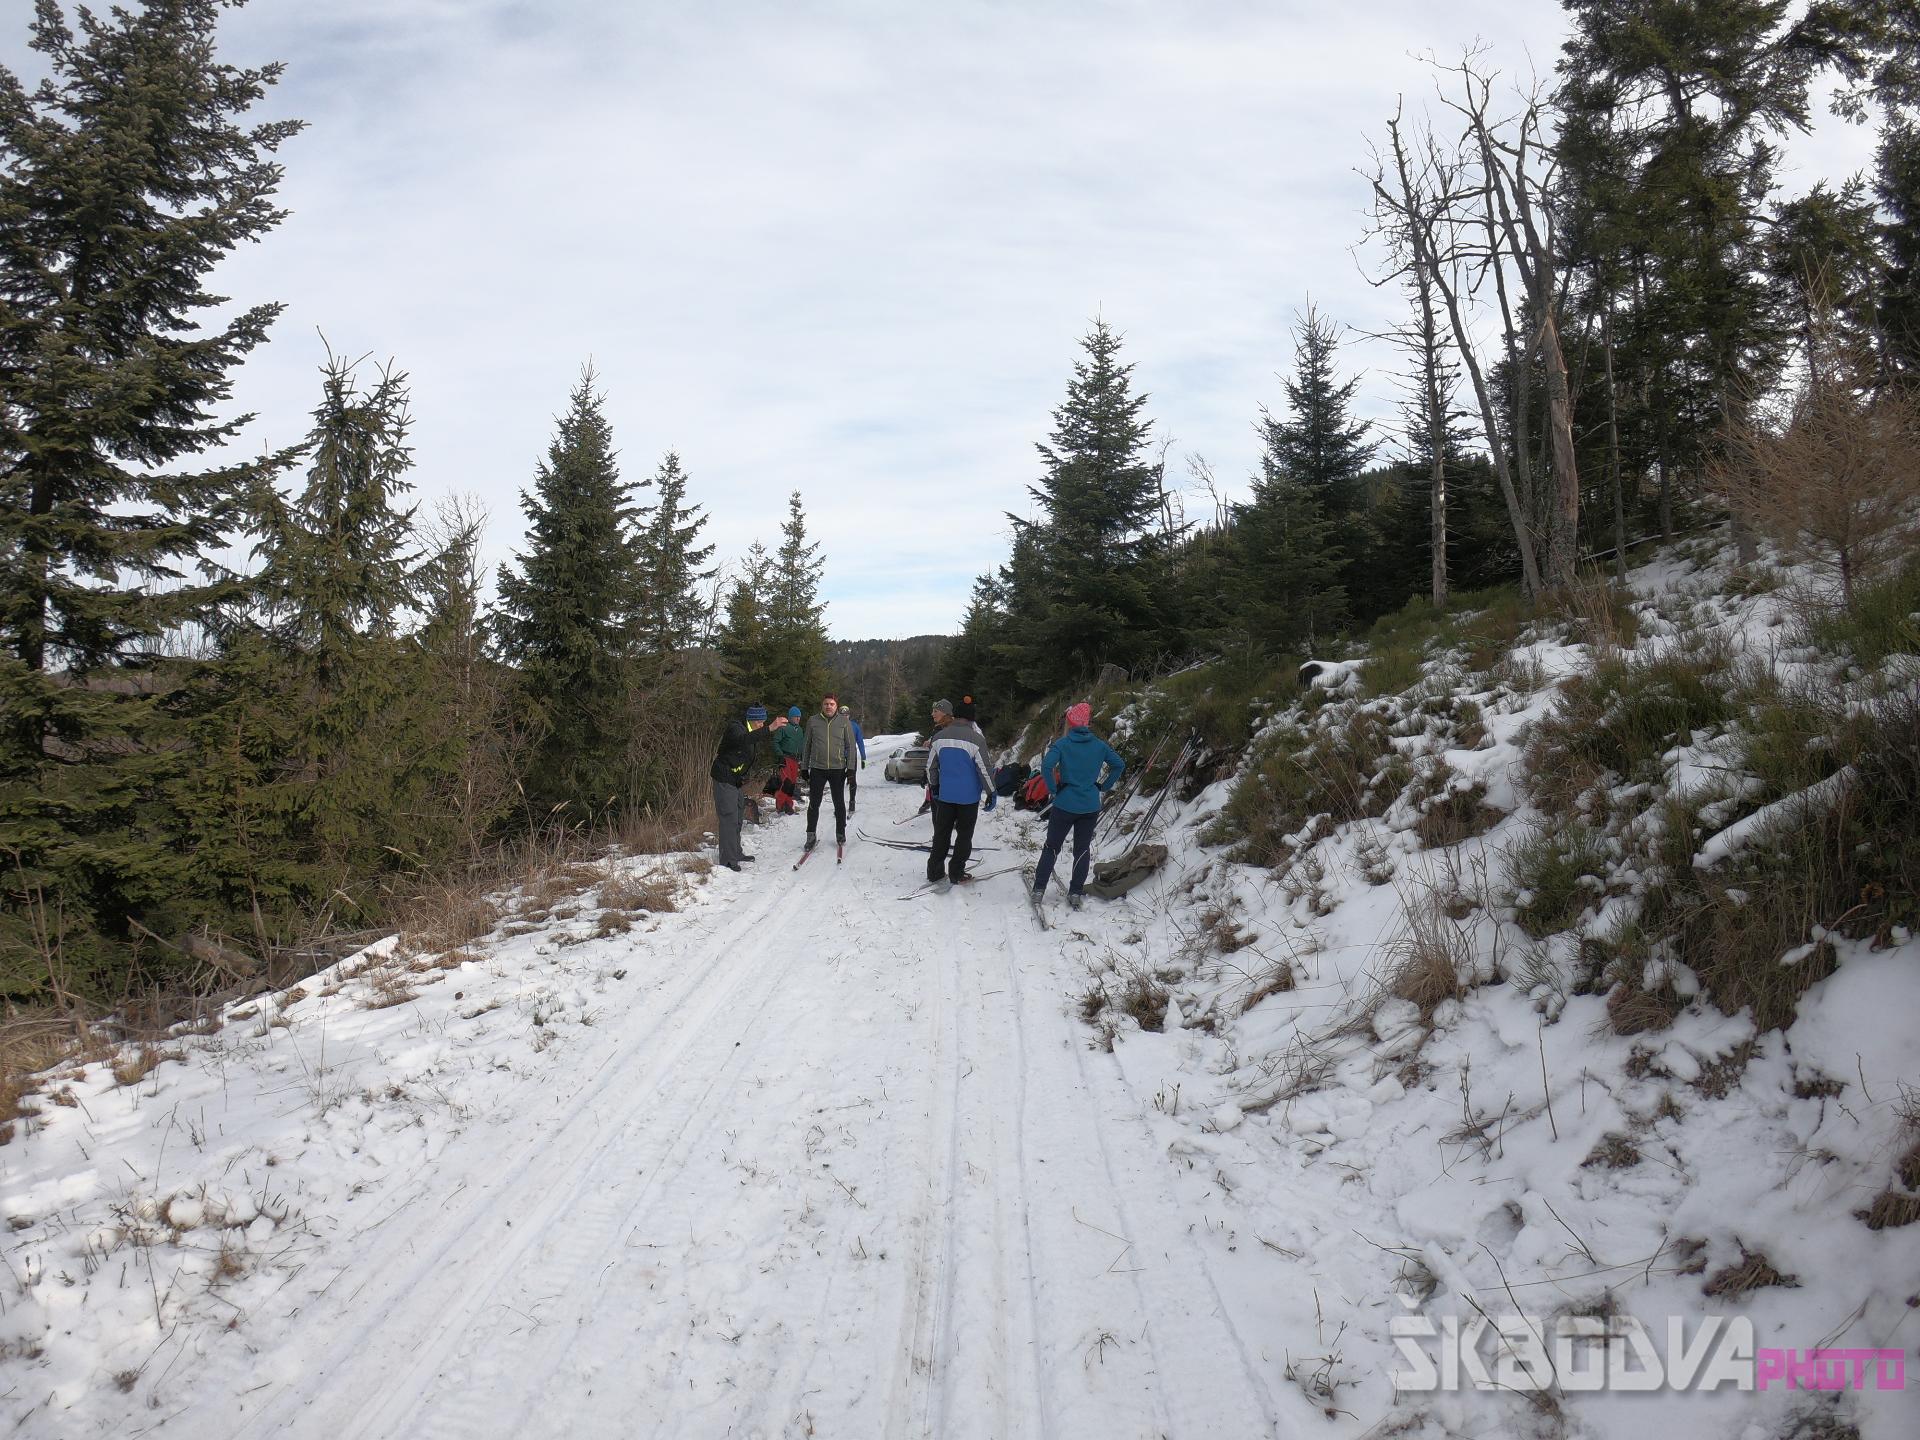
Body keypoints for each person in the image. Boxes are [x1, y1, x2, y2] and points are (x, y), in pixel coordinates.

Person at [1032, 701, 1125, 909]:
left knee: (1052, 847)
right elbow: (1119, 764)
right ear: (1087, 723)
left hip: (1065, 803)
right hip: (1090, 804)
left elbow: (1047, 765)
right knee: (1082, 850)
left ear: (1070, 722)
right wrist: (1104, 786)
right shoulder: (1100, 745)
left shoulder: (1062, 744)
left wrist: (1053, 789)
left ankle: (1039, 890)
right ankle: (1075, 893)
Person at [924, 697, 996, 891]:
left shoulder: (939, 737)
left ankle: (935, 871)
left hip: (945, 796)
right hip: (968, 798)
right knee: (964, 835)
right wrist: (991, 792)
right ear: (971, 719)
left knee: (941, 834)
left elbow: (930, 766)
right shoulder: (977, 739)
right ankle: (956, 872)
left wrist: (935, 787)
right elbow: (984, 768)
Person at [711, 704, 788, 871]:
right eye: (760, 722)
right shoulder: (736, 729)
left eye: (763, 722)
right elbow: (743, 740)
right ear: (752, 720)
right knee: (728, 819)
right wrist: (770, 728)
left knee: (738, 817)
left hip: (734, 781)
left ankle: (736, 853)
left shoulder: (750, 732)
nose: (762, 725)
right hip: (723, 779)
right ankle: (728, 860)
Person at [800, 692, 858, 850]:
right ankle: (810, 835)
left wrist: (851, 768)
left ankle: (840, 832)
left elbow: (850, 746)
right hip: (818, 769)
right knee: (814, 803)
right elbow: (807, 746)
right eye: (826, 704)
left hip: (838, 769)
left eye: (831, 704)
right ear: (822, 705)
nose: (828, 706)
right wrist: (804, 767)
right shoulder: (813, 721)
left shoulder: (843, 722)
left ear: (836, 706)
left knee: (838, 803)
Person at [773, 705, 805, 814]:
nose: (798, 719)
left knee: (792, 783)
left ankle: (788, 805)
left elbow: (802, 744)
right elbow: (775, 741)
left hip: (795, 760)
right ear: (791, 717)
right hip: (785, 757)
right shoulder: (784, 728)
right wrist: (780, 755)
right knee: (787, 782)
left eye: (799, 717)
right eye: (796, 717)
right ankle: (780, 804)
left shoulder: (800, 730)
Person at [842, 706, 868, 816]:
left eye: (846, 715)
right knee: (838, 782)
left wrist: (863, 758)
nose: (844, 717)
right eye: (842, 715)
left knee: (852, 779)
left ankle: (852, 802)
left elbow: (860, 742)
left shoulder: (854, 726)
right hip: (838, 758)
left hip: (852, 757)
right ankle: (839, 805)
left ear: (849, 716)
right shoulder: (834, 727)